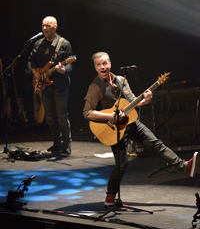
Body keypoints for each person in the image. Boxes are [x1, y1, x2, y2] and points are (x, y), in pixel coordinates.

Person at [83, 52, 199, 207]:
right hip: (113, 129)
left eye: (105, 63)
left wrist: (144, 101)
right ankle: (110, 197)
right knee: (121, 165)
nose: (102, 67)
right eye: (99, 64)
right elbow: (87, 113)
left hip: (131, 123)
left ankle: (184, 166)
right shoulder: (95, 87)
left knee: (156, 143)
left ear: (110, 64)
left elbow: (131, 102)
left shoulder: (121, 80)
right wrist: (111, 117)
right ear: (95, 68)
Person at [28, 16, 73, 155]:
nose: (45, 28)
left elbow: (70, 64)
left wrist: (63, 69)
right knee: (50, 117)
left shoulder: (64, 44)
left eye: (48, 25)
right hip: (45, 85)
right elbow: (31, 60)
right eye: (43, 25)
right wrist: (35, 72)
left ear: (55, 27)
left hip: (60, 85)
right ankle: (56, 144)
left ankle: (66, 146)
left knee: (62, 117)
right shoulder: (38, 44)